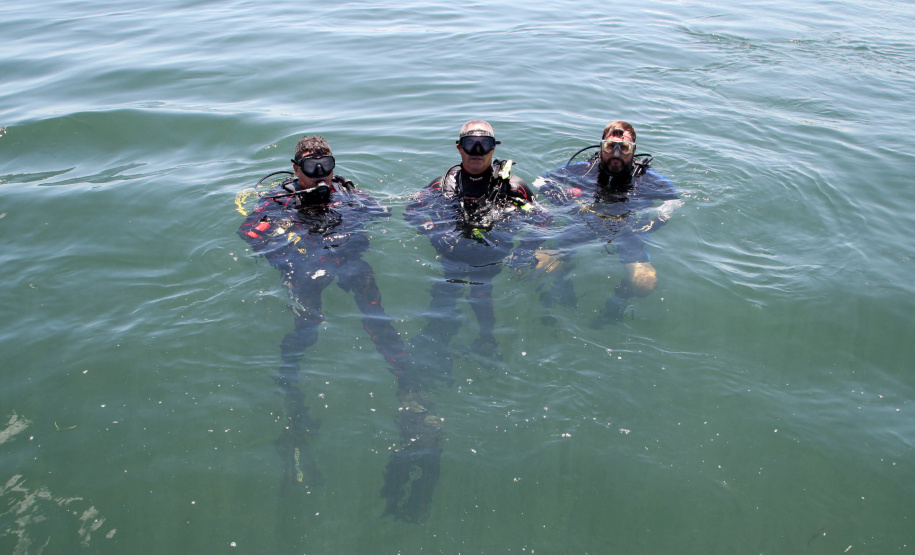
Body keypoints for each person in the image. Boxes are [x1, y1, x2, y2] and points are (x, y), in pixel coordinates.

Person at [237, 135, 440, 523]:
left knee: (378, 320)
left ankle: (410, 390)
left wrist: (350, 207)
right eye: (311, 168)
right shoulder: (279, 201)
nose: (320, 175)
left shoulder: (346, 191)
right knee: (308, 324)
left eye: (326, 167)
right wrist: (287, 241)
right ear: (295, 169)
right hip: (305, 266)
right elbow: (249, 233)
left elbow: (382, 213)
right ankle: (291, 394)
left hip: (349, 262)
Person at [404, 120, 551, 363]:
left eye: (484, 144)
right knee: (443, 299)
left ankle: (486, 339)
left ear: (494, 148)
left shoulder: (513, 187)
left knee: (482, 298)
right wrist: (433, 232)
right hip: (452, 253)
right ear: (459, 148)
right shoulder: (442, 185)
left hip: (492, 254)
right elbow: (411, 211)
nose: (477, 151)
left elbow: (544, 218)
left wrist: (525, 250)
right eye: (471, 144)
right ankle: (436, 348)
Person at [534, 120, 682, 323]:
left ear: (633, 150)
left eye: (624, 148)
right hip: (582, 224)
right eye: (610, 146)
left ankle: (619, 299)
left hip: (627, 231)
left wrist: (654, 223)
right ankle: (564, 288)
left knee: (645, 283)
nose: (616, 154)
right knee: (544, 263)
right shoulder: (585, 170)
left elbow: (674, 200)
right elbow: (541, 181)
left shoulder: (645, 178)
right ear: (601, 147)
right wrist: (559, 198)